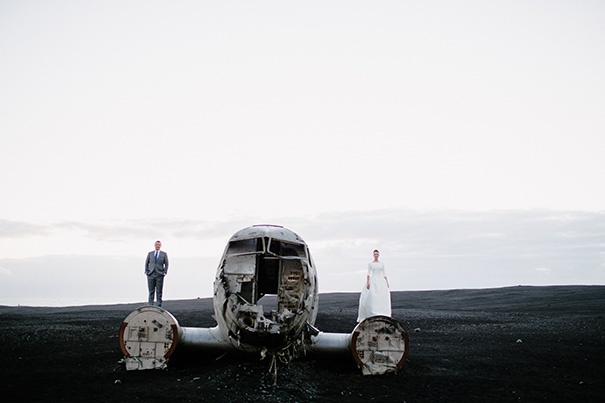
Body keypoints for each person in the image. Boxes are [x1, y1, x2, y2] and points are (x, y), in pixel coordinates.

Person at [357, 249, 391, 322]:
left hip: (380, 280)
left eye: (377, 254)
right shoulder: (370, 264)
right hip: (373, 280)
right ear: (373, 255)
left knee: (381, 296)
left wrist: (387, 282)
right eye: (375, 254)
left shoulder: (381, 264)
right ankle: (372, 312)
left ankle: (383, 312)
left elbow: (384, 273)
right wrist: (368, 282)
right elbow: (369, 273)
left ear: (379, 255)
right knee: (372, 296)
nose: (376, 255)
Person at [145, 240, 169, 307]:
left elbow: (166, 264)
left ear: (160, 246)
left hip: (159, 274)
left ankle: (159, 305)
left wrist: (164, 272)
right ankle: (150, 304)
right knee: (151, 290)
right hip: (151, 274)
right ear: (154, 245)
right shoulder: (150, 254)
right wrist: (147, 271)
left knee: (159, 291)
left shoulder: (163, 254)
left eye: (159, 245)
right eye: (156, 245)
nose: (157, 246)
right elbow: (147, 263)